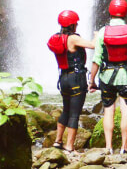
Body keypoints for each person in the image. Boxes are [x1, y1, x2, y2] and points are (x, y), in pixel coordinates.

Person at [89, 0, 127, 154]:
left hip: (107, 77)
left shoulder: (103, 32)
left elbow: (97, 60)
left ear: (110, 12)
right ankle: (124, 148)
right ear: (126, 12)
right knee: (126, 110)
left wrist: (91, 80)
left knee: (108, 111)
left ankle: (108, 148)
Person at [47, 10, 95, 152]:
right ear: (72, 24)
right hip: (76, 78)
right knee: (74, 113)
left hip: (63, 78)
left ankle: (57, 141)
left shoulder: (56, 38)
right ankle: (69, 146)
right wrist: (98, 36)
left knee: (65, 110)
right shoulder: (73, 38)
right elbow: (92, 45)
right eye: (76, 23)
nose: (77, 25)